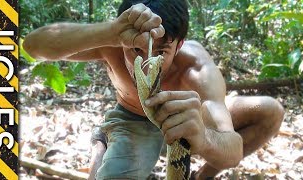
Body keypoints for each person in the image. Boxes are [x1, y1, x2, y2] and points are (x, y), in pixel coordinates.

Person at [23, 0, 285, 179]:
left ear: (179, 45)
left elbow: (233, 150)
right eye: (135, 50)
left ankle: (202, 177)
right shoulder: (112, 42)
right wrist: (111, 32)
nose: (147, 64)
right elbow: (33, 46)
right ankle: (105, 139)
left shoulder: (196, 69)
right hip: (133, 119)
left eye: (161, 52)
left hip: (190, 117)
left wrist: (204, 139)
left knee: (269, 110)